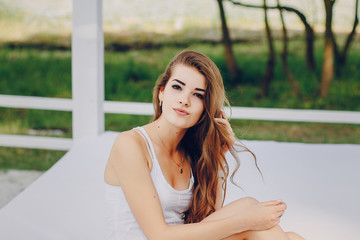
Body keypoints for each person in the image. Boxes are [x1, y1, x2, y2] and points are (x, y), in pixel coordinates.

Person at [104, 50, 304, 240]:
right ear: (161, 92)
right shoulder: (130, 144)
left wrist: (217, 155)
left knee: (290, 237)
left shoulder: (189, 153)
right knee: (251, 212)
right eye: (177, 87)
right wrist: (248, 220)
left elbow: (205, 225)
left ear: (205, 108)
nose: (184, 100)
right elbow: (159, 235)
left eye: (198, 95)